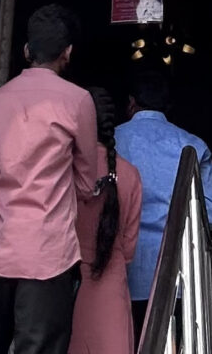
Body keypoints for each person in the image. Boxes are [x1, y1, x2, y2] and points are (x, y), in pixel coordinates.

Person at [0, 4, 107, 354]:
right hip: (46, 250)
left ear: (26, 51)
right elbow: (86, 180)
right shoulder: (77, 100)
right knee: (40, 346)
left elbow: (2, 164)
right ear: (68, 53)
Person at [115, 70, 212, 322]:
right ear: (168, 106)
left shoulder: (111, 140)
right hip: (177, 275)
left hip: (120, 274)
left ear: (131, 102)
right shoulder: (193, 145)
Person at [69, 89, 141, 354]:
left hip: (64, 283)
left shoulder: (64, 171)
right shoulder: (130, 174)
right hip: (112, 287)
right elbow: (130, 248)